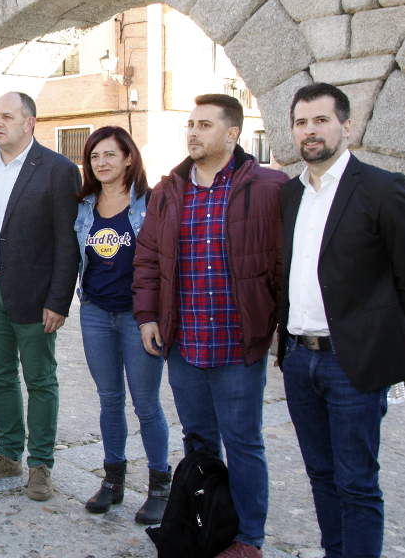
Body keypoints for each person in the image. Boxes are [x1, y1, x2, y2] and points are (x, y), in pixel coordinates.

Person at [278, 83, 405, 558]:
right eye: (302, 122)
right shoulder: (289, 195)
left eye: (321, 120)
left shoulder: (384, 188)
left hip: (353, 364)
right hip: (300, 360)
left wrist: (377, 340)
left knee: (357, 482)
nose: (311, 131)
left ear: (346, 126)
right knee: (321, 476)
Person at [132, 93, 286, 558]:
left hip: (238, 345)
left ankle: (248, 539)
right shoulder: (168, 191)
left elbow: (283, 263)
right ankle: (206, 524)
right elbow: (149, 260)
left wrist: (275, 323)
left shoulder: (269, 187)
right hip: (183, 343)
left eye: (204, 124)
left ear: (232, 133)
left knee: (243, 442)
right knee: (198, 442)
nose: (193, 132)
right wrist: (146, 316)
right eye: (190, 124)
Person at [0, 92, 80, 501]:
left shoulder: (58, 170)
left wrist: (59, 301)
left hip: (34, 296)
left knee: (40, 379)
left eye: (7, 117)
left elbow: (68, 245)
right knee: (0, 375)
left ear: (29, 123)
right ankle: (9, 453)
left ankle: (41, 464)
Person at [74, 126, 170, 523]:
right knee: (110, 399)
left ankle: (160, 487)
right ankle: (113, 481)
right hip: (96, 313)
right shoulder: (83, 206)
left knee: (146, 404)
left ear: (129, 157)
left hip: (139, 317)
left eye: (111, 155)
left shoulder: (151, 204)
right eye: (96, 157)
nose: (102, 163)